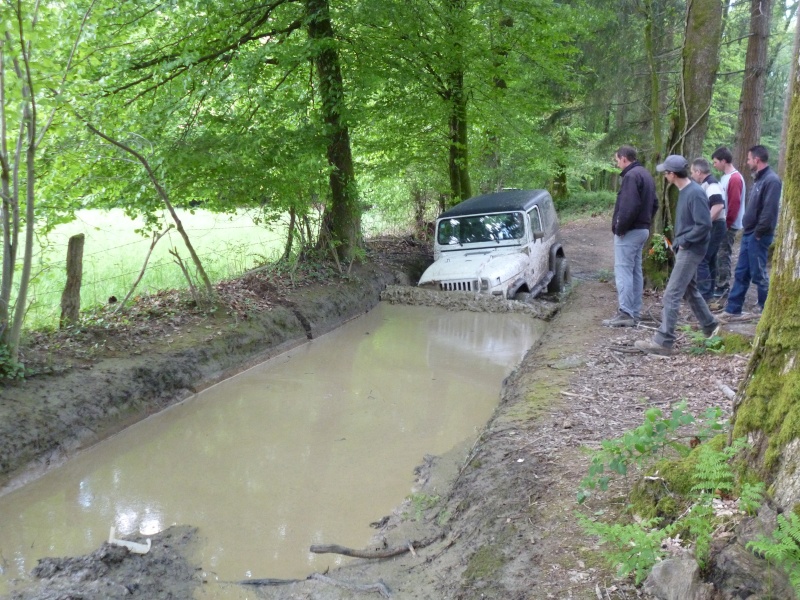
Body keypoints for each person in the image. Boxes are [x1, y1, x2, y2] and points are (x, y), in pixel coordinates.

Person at [635, 155, 719, 356]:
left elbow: (705, 225)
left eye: (665, 173)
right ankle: (710, 326)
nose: (664, 176)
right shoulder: (685, 191)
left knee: (671, 293)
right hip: (686, 248)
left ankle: (664, 341)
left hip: (691, 250)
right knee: (690, 290)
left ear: (672, 174)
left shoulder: (695, 193)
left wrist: (683, 241)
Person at [720, 145, 782, 318]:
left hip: (759, 235)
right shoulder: (759, 179)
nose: (746, 163)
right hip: (750, 232)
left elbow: (769, 211)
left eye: (748, 159)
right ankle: (733, 309)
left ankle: (766, 310)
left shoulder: (772, 181)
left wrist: (758, 233)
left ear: (757, 160)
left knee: (758, 273)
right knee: (741, 272)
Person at [602, 145, 658, 327]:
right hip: (642, 230)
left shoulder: (631, 176)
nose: (617, 164)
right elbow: (655, 203)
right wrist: (646, 221)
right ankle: (634, 311)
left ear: (624, 158)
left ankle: (626, 312)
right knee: (635, 270)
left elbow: (629, 205)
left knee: (623, 270)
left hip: (631, 231)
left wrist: (620, 228)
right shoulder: (646, 174)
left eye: (617, 160)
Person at [710, 147, 745, 302]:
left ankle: (723, 285)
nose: (714, 165)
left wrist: (727, 224)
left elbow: (734, 204)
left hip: (728, 224)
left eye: (716, 162)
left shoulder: (735, 178)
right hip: (723, 223)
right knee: (719, 253)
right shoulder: (725, 177)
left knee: (723, 254)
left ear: (724, 161)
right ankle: (718, 283)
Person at [691, 158, 726, 302]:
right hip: (717, 225)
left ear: (699, 172)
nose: (692, 175)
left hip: (715, 225)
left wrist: (705, 223)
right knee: (710, 259)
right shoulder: (710, 183)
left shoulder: (711, 184)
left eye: (692, 172)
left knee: (702, 259)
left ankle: (704, 295)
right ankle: (709, 293)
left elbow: (718, 206)